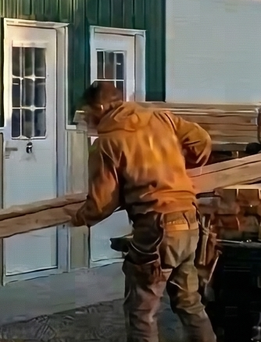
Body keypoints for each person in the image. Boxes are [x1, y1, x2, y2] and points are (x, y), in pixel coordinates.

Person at [69, 82, 218, 342]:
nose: (89, 120)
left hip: (157, 230)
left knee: (142, 310)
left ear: (101, 107)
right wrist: (185, 166)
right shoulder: (161, 118)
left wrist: (78, 217)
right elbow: (200, 140)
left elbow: (102, 203)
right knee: (189, 302)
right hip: (189, 221)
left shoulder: (108, 143)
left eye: (88, 113)